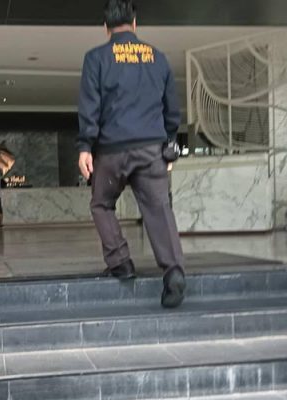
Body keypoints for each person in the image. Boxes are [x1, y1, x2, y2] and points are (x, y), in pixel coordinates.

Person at [77, 0, 186, 308]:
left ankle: (121, 262)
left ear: (105, 27)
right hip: (151, 150)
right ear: (135, 24)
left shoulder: (96, 58)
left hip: (111, 150)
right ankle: (174, 272)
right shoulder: (158, 58)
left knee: (101, 204)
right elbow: (172, 109)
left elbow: (90, 106)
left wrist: (85, 146)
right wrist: (169, 143)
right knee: (159, 209)